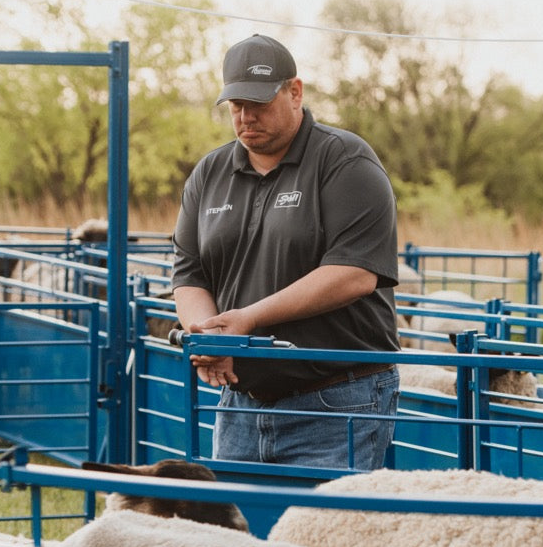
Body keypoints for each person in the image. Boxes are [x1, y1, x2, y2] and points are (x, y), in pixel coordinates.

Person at [171, 34, 401, 470]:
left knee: (327, 536)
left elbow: (354, 272)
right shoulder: (210, 173)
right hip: (240, 402)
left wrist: (248, 320)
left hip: (337, 401)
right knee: (240, 535)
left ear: (295, 91)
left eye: (258, 103)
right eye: (236, 106)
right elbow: (189, 273)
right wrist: (207, 335)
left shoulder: (345, 162)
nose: (245, 117)